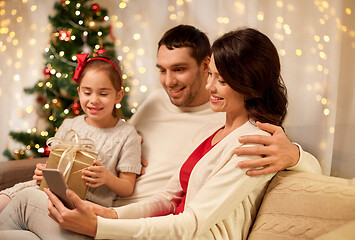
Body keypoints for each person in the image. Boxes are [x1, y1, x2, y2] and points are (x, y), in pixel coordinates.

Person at [0, 25, 321, 239]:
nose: (210, 86)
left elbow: (191, 223)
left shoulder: (251, 143)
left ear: (249, 84)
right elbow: (169, 198)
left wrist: (100, 226)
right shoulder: (213, 131)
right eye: (211, 75)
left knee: (26, 206)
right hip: (132, 221)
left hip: (163, 234)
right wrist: (107, 213)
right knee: (21, 213)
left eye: (219, 80)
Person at [0, 53, 142, 211]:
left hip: (87, 204)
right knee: (7, 198)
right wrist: (43, 173)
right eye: (87, 92)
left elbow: (127, 187)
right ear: (79, 91)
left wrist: (107, 178)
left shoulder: (127, 135)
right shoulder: (69, 125)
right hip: (52, 191)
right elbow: (53, 165)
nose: (94, 100)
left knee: (28, 202)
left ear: (118, 96)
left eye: (103, 94)